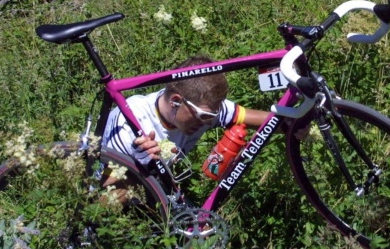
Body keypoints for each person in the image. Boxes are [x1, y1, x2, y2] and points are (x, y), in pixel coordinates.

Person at [100, 55, 271, 203]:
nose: (207, 123)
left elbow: (264, 120)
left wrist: (295, 124)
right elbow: (101, 201)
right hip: (119, 203)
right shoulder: (128, 126)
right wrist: (138, 168)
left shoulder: (203, 108)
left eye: (212, 116)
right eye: (204, 116)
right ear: (176, 101)